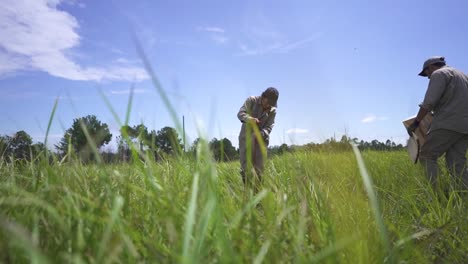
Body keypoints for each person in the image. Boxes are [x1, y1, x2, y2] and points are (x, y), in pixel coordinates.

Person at [407, 56, 468, 189]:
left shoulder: (439, 74)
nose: (428, 77)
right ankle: (464, 198)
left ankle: (440, 195)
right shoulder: (463, 76)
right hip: (465, 127)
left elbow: (429, 102)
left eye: (426, 73)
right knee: (457, 164)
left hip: (448, 123)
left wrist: (416, 123)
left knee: (427, 156)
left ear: (431, 67)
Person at [237, 87, 279, 188]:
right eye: (268, 102)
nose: (269, 106)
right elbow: (240, 114)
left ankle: (258, 198)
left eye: (271, 104)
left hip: (261, 142)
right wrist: (250, 119)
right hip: (245, 139)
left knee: (260, 170)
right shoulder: (251, 100)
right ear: (263, 97)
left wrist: (261, 133)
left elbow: (269, 127)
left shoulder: (272, 111)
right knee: (245, 168)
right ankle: (247, 194)